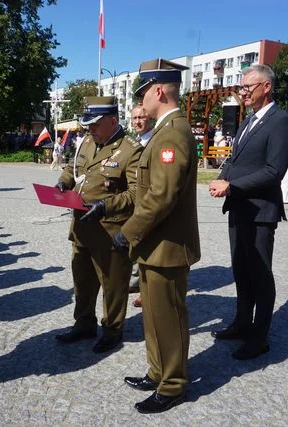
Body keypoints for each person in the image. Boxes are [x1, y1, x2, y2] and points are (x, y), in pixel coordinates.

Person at [117, 58, 200, 414]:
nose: (141, 103)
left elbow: (162, 195)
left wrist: (128, 231)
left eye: (142, 94)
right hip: (155, 245)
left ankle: (173, 383)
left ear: (159, 90)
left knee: (169, 317)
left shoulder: (173, 132)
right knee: (153, 316)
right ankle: (158, 372)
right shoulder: (165, 130)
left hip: (167, 245)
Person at [209, 64, 288, 360]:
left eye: (248, 87)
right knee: (241, 269)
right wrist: (220, 178)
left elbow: (274, 171)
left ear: (266, 87)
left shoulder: (281, 121)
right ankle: (242, 322)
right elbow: (235, 159)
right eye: (242, 87)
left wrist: (232, 186)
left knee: (260, 273)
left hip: (260, 210)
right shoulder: (248, 121)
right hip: (239, 207)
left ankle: (260, 337)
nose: (243, 92)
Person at [54, 96, 142, 354]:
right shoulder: (86, 143)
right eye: (88, 124)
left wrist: (105, 206)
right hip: (81, 227)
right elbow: (73, 170)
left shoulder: (130, 149)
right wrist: (63, 183)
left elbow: (137, 193)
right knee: (82, 280)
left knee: (113, 283)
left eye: (95, 124)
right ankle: (83, 323)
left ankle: (112, 329)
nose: (89, 128)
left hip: (110, 230)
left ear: (113, 121)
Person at [128, 104, 153, 307]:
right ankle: (138, 282)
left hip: (148, 203)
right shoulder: (134, 142)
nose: (137, 121)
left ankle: (147, 291)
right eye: (134, 118)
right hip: (133, 200)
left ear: (150, 119)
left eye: (141, 118)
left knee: (147, 247)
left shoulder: (154, 141)